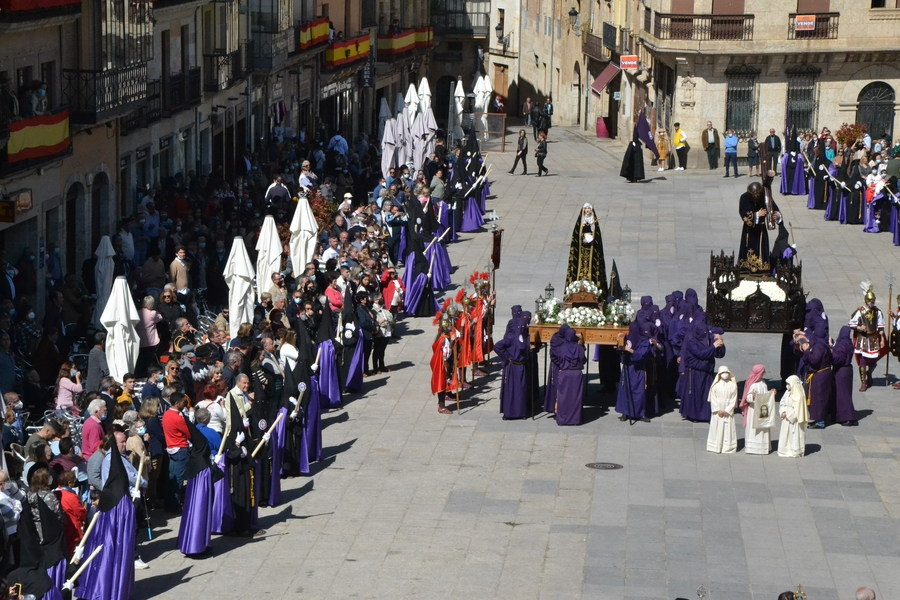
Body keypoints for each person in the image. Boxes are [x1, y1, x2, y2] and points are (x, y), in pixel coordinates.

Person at [850, 284, 886, 392]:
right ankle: (863, 382)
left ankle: (869, 373)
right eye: (869, 302)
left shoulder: (877, 312)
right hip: (863, 338)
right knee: (862, 361)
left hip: (874, 338)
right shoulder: (860, 311)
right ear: (866, 301)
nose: (871, 304)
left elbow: (880, 326)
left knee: (873, 361)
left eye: (873, 302)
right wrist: (859, 327)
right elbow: (851, 324)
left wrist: (882, 339)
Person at [738, 181, 781, 274]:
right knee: (748, 250)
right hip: (749, 231)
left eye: (758, 195)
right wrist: (757, 214)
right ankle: (746, 269)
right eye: (754, 196)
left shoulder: (765, 196)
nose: (756, 198)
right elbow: (743, 214)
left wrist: (777, 215)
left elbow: (773, 207)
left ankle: (762, 270)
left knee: (761, 250)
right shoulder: (744, 198)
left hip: (761, 230)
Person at [565, 204, 608, 294]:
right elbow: (576, 235)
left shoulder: (594, 221)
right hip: (581, 250)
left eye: (589, 208)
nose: (587, 210)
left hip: (592, 250)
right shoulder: (580, 221)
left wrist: (591, 237)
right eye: (586, 208)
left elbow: (597, 236)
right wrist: (582, 238)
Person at [494, 315, 530, 420]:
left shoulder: (525, 338)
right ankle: (509, 413)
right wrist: (508, 357)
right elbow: (497, 346)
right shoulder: (510, 338)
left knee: (521, 390)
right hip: (511, 367)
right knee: (510, 390)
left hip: (521, 367)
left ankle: (521, 412)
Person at [740, 364, 773, 454]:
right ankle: (752, 447)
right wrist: (753, 397)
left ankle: (763, 447)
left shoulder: (763, 383)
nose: (763, 375)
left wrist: (770, 393)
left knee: (762, 426)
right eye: (762, 373)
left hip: (762, 409)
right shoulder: (752, 384)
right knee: (754, 428)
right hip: (754, 409)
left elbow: (765, 395)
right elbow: (747, 397)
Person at [706, 365, 737, 453]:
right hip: (718, 410)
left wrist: (727, 410)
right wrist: (718, 410)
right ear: (719, 374)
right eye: (723, 372)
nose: (725, 374)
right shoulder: (715, 386)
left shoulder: (733, 385)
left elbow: (733, 399)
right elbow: (713, 399)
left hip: (727, 410)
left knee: (728, 429)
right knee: (717, 427)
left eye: (727, 372)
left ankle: (727, 447)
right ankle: (715, 446)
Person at [832, 326, 859, 426]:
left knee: (842, 395)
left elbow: (838, 359)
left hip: (841, 372)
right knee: (845, 394)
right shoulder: (848, 342)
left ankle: (847, 417)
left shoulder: (842, 344)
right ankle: (841, 416)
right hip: (847, 371)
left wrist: (831, 351)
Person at [778, 375, 808, 458]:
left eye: (789, 383)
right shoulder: (787, 392)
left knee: (793, 435)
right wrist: (783, 411)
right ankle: (785, 450)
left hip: (794, 420)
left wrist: (790, 416)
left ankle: (794, 451)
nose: (787, 385)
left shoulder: (799, 396)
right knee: (785, 435)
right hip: (785, 417)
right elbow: (782, 402)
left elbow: (798, 409)